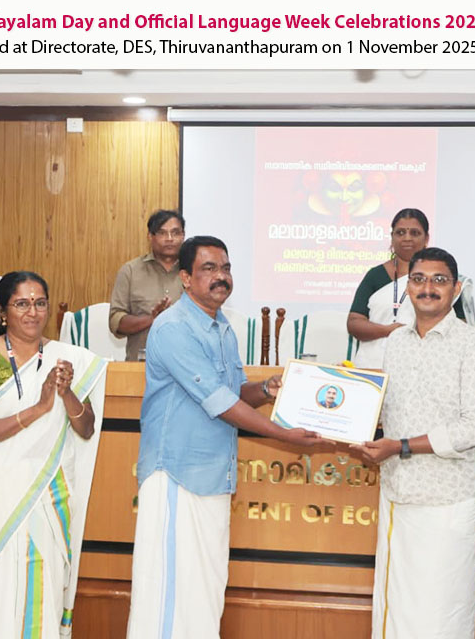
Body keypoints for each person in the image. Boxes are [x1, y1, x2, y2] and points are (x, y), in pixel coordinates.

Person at [126, 236, 329, 639]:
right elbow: (219, 403)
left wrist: (267, 389)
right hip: (177, 476)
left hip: (212, 476)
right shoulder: (173, 328)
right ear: (185, 278)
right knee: (169, 593)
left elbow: (235, 391)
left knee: (205, 588)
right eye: (208, 269)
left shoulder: (221, 327)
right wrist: (285, 435)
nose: (221, 277)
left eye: (226, 268)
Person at [352, 247, 475, 638]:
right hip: (397, 493)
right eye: (418, 279)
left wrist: (399, 446)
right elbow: (390, 410)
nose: (428, 288)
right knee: (395, 606)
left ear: (456, 289)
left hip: (445, 500)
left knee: (440, 612)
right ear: (406, 289)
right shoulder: (396, 343)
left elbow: (474, 429)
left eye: (439, 280)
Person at [0, 271, 108, 638]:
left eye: (40, 303)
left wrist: (67, 392)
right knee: (4, 590)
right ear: (3, 310)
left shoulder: (65, 358)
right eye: (22, 304)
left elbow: (86, 428)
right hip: (1, 494)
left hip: (50, 494)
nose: (33, 312)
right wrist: (40, 409)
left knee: (45, 589)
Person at [347, 208, 475, 369]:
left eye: (415, 233)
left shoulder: (443, 280)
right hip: (372, 366)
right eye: (400, 232)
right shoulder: (375, 276)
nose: (407, 238)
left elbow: (460, 325)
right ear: (392, 237)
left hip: (430, 366)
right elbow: (354, 323)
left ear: (426, 238)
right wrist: (390, 330)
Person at [109, 210, 186, 360]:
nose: (170, 239)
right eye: (163, 233)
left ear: (183, 236)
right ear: (150, 237)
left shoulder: (195, 273)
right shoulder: (130, 271)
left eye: (175, 233)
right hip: (142, 366)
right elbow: (115, 322)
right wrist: (151, 319)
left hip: (187, 368)